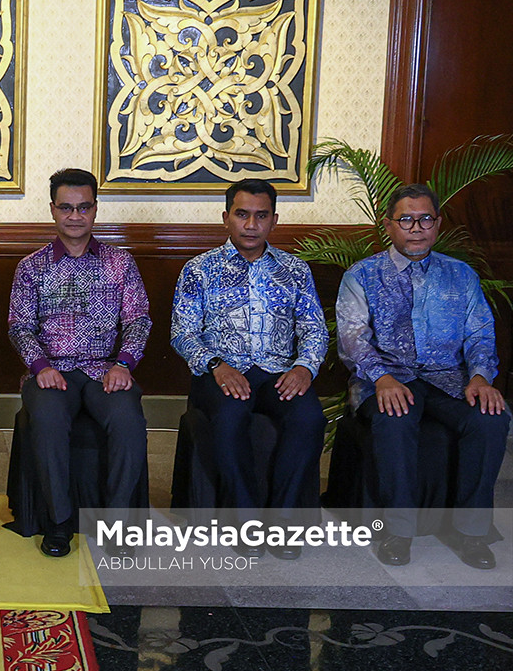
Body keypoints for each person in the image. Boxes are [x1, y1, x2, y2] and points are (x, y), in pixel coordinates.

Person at [337, 183, 509, 569]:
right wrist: (381, 378)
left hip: (449, 377)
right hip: (386, 378)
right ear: (388, 225)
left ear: (438, 224)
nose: (416, 228)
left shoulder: (461, 275)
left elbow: (480, 333)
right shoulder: (362, 275)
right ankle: (397, 531)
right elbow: (352, 339)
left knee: (491, 418)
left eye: (425, 219)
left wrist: (481, 376)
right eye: (406, 220)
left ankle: (472, 532)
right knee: (394, 418)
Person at [170, 179, 328, 558]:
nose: (251, 224)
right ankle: (246, 523)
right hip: (221, 372)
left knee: (309, 417)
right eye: (242, 214)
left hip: (279, 372)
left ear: (275, 220)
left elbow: (314, 328)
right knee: (229, 416)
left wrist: (305, 367)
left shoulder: (294, 270)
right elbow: (182, 332)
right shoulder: (199, 269)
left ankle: (284, 523)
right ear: (226, 217)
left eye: (261, 216)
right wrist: (216, 365)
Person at [8, 167, 151, 558]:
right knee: (48, 418)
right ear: (53, 210)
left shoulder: (120, 263)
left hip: (105, 369)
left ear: (95, 209)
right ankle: (58, 523)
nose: (75, 216)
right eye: (66, 207)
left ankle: (117, 526)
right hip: (51, 370)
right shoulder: (31, 267)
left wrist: (124, 364)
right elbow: (19, 327)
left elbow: (138, 320)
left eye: (84, 207)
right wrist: (40, 366)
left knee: (128, 419)